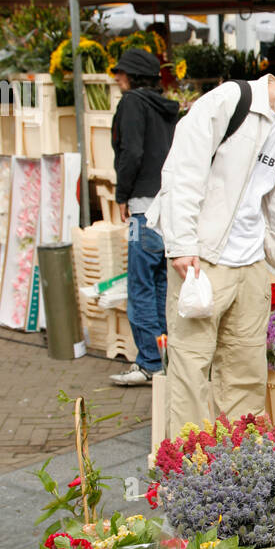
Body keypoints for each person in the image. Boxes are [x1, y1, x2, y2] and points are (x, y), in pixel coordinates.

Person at [146, 56, 275, 437]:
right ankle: (190, 468)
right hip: (202, 263)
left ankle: (241, 466)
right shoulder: (230, 102)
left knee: (245, 372)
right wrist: (180, 245)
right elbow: (182, 171)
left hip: (251, 266)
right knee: (191, 369)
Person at [108, 47, 180, 387]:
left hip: (143, 207)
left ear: (132, 76)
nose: (117, 78)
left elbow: (131, 152)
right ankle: (166, 357)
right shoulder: (167, 109)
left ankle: (150, 362)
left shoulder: (132, 103)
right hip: (169, 205)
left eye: (120, 73)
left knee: (141, 285)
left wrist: (122, 194)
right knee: (163, 284)